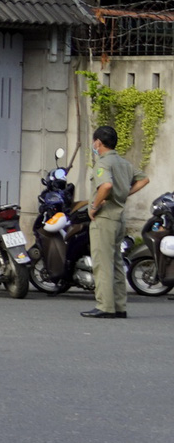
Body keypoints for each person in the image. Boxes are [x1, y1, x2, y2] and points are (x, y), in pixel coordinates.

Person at [84, 124, 147, 320]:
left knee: (102, 263)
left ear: (98, 142)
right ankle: (119, 306)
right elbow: (144, 179)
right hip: (120, 216)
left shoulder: (103, 163)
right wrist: (124, 193)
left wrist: (94, 206)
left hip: (105, 216)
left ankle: (105, 306)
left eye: (94, 142)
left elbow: (106, 185)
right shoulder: (123, 163)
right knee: (117, 263)